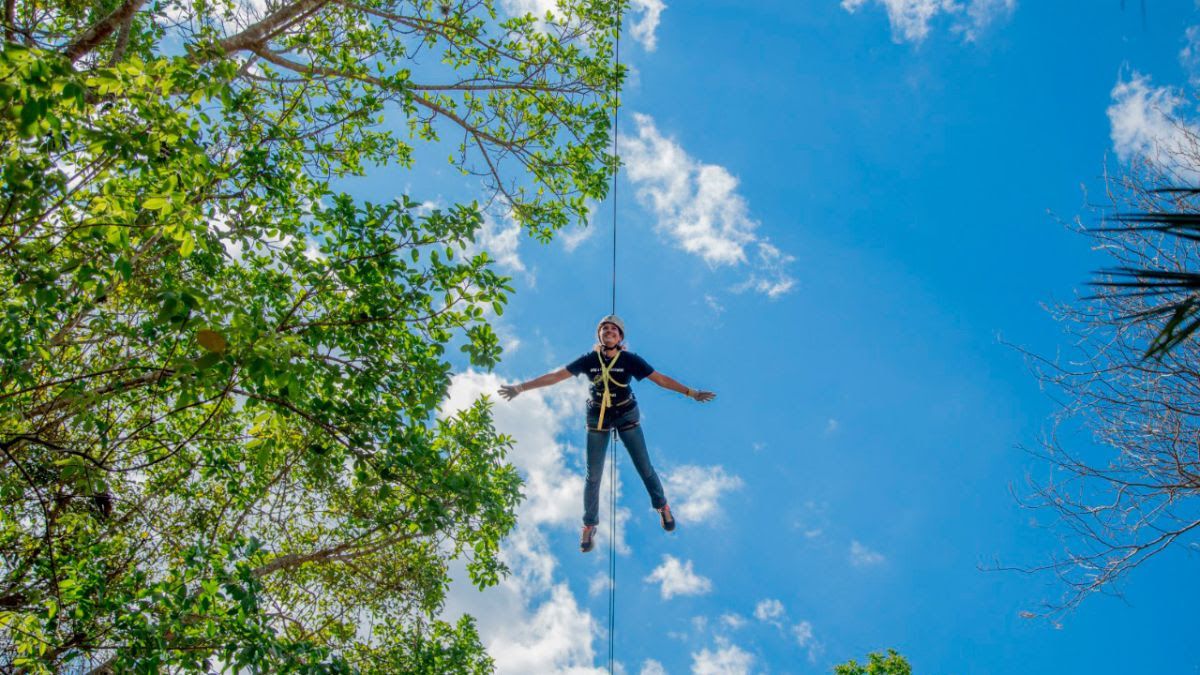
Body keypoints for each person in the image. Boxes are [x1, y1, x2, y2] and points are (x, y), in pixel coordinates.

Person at [498, 315, 716, 553]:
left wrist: (691, 393)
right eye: (605, 329)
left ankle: (662, 506)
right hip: (598, 417)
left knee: (645, 467)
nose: (609, 331)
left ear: (620, 337)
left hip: (626, 415)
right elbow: (556, 376)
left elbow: (660, 379)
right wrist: (520, 388)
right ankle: (589, 524)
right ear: (599, 336)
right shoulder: (590, 360)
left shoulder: (630, 360)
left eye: (614, 329)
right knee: (593, 476)